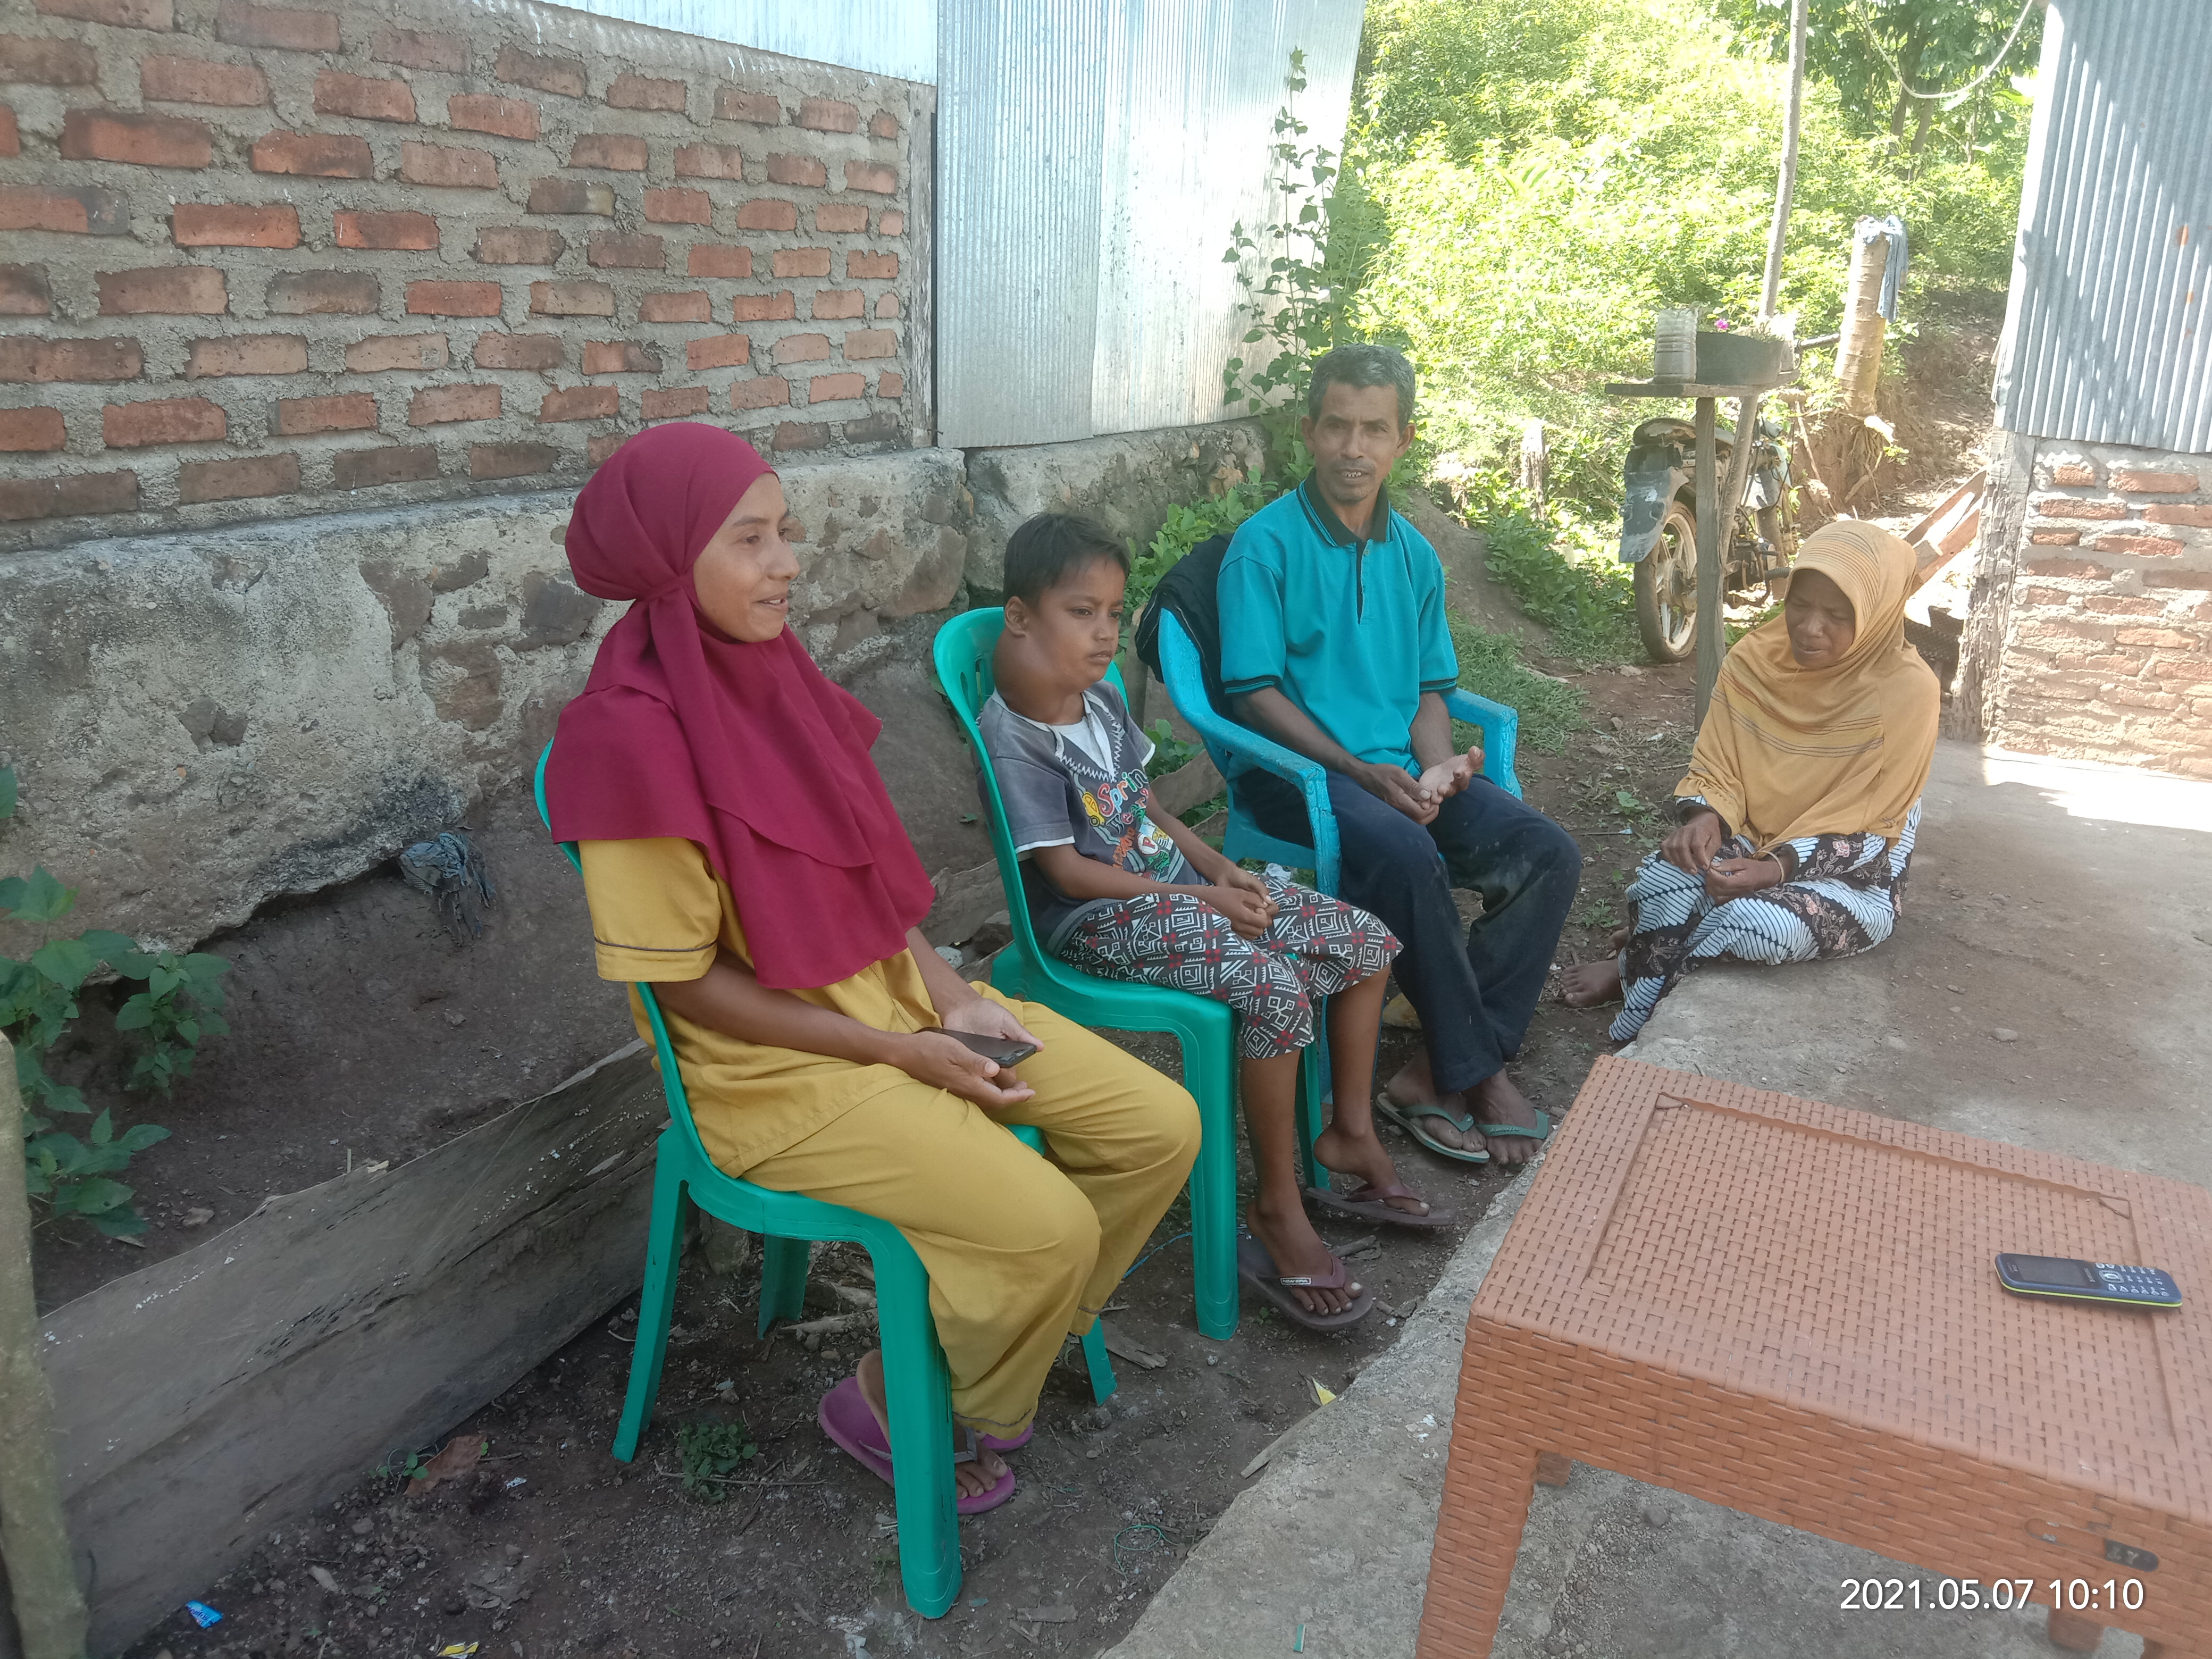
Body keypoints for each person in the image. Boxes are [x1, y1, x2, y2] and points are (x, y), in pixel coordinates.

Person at [541, 425, 1200, 1515]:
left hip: (896, 1003)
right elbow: (685, 986)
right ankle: (897, 1399)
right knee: (1048, 1228)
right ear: (667, 559)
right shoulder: (624, 744)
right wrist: (898, 1053)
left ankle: (969, 1361)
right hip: (774, 1076)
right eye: (750, 539)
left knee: (1159, 1128)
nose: (787, 563)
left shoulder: (772, 677)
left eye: (784, 532)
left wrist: (952, 998)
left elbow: (861, 890)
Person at [981, 514, 1444, 1333]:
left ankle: (1348, 1131)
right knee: (1272, 990)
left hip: (1180, 891)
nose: (1104, 633)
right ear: (1020, 617)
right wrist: (1206, 902)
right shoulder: (1016, 736)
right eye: (1081, 613)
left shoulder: (1098, 698)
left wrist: (1216, 867)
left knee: (1366, 942)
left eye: (1113, 613)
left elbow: (1148, 808)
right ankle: (1275, 1205)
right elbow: (1067, 874)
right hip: (1098, 920)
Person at [1217, 345, 1582, 1168]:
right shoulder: (1264, 547)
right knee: (1408, 853)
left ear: (1402, 439)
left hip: (1390, 773)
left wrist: (1435, 771)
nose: (1353, 448)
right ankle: (1478, 1073)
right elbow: (1254, 695)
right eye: (1337, 426)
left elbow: (1427, 692)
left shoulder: (1414, 553)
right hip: (1295, 777)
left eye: (1374, 430)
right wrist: (1357, 772)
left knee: (1547, 852)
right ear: (1308, 431)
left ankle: (1435, 1071)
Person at [1560, 521, 1940, 1040]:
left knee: (1749, 924)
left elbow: (1875, 832)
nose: (1809, 628)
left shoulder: (1907, 692)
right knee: (1665, 879)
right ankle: (1654, 954)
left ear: (1876, 613)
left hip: (1850, 876)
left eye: (1837, 615)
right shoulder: (1756, 659)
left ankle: (1636, 969)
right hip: (1752, 835)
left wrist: (1774, 870)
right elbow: (1720, 764)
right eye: (1799, 604)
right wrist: (1706, 818)